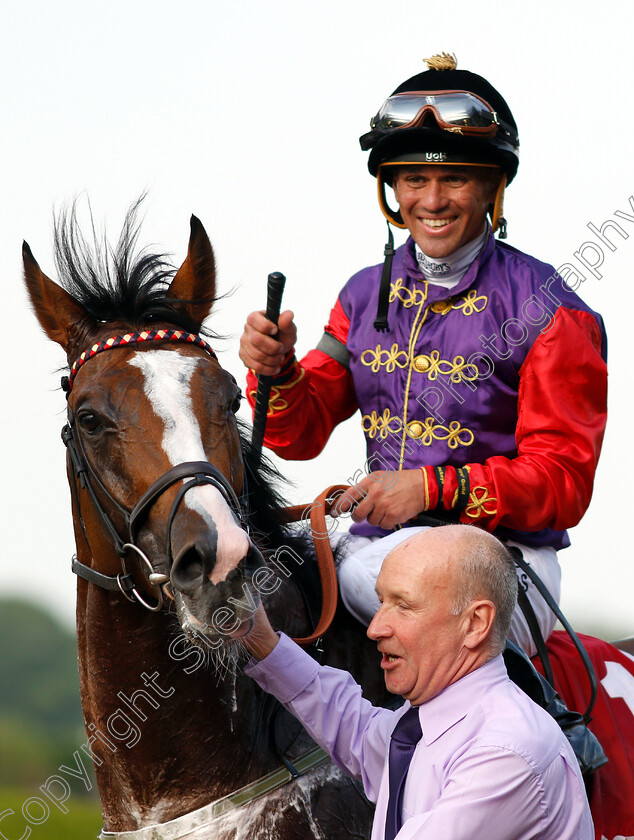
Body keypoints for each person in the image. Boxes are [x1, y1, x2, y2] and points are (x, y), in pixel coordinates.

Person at [240, 54, 608, 655]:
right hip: (372, 552)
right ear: (392, 188)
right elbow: (297, 432)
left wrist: (432, 490)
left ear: (493, 186)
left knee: (392, 598)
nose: (431, 200)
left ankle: (541, 742)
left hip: (506, 564)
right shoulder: (362, 294)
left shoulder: (554, 312)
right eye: (413, 179)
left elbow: (562, 483)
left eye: (454, 178)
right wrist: (277, 372)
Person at [240, 526, 594, 839]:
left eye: (404, 606)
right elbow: (359, 733)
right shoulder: (418, 726)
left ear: (475, 624)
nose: (375, 628)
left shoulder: (503, 753)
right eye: (381, 602)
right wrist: (262, 641)